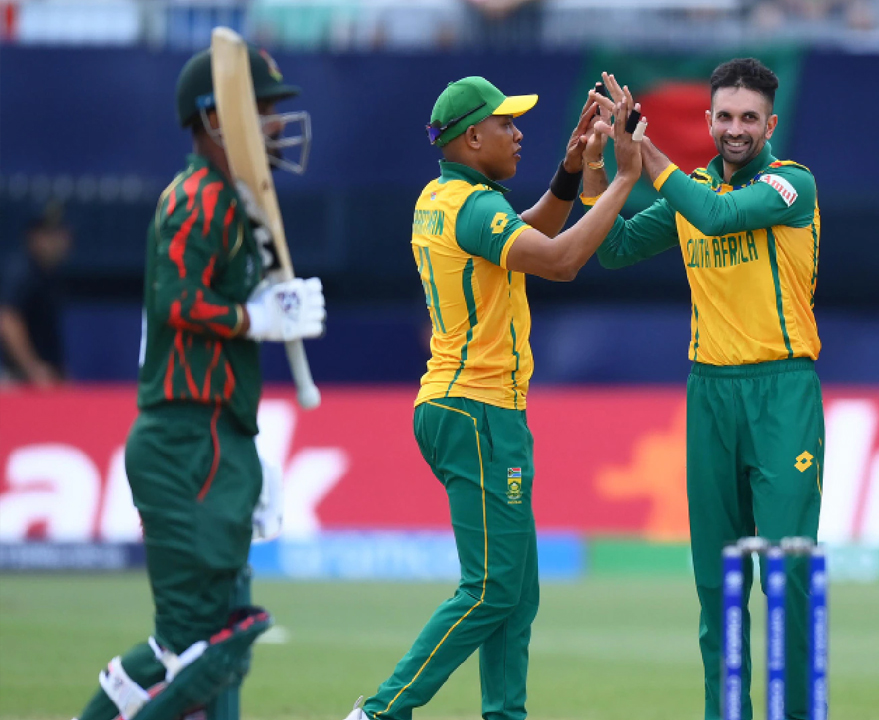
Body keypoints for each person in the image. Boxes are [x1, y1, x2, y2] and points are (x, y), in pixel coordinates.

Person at [345, 75, 641, 720]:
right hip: (477, 408)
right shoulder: (474, 207)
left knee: (515, 592)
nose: (518, 133)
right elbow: (560, 261)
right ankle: (380, 713)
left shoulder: (446, 197)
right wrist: (622, 180)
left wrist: (571, 172)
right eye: (506, 124)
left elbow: (527, 236)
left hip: (463, 405)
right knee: (490, 589)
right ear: (472, 137)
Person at [74, 45, 326, 720]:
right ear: (216, 118)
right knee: (208, 644)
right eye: (263, 108)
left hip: (217, 433)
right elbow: (176, 300)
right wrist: (257, 318)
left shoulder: (232, 203)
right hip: (185, 439)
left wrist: (249, 446)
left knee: (196, 641)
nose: (278, 123)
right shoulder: (198, 198)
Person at [589, 59, 822, 720]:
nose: (735, 129)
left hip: (782, 395)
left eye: (749, 117)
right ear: (709, 120)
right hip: (710, 395)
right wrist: (600, 168)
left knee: (788, 574)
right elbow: (618, 247)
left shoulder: (790, 184)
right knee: (718, 582)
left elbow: (718, 218)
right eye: (724, 116)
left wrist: (646, 150)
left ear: (770, 124)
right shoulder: (690, 189)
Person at [0, 211, 72, 386]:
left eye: (61, 233)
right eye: (50, 235)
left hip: (41, 378)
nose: (58, 241)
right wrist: (33, 368)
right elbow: (7, 319)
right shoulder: (21, 272)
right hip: (18, 380)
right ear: (33, 237)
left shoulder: (49, 274)